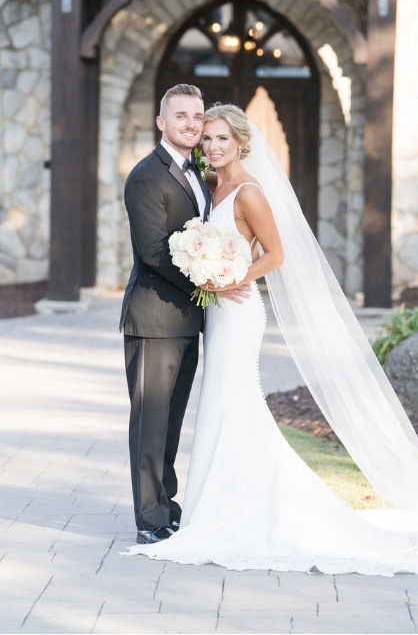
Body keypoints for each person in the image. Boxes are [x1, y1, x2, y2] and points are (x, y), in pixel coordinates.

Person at [127, 102, 418, 575]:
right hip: (215, 313)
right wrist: (211, 274)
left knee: (232, 401)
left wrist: (233, 278)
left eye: (221, 138)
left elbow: (275, 253)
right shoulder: (212, 185)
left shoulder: (250, 192)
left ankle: (238, 507)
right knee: (219, 404)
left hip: (236, 310)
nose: (212, 146)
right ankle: (210, 504)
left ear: (241, 142)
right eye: (208, 138)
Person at [120, 83, 251, 544]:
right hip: (153, 320)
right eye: (182, 116)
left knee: (172, 420)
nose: (192, 125)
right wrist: (211, 282)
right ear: (162, 122)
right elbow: (154, 252)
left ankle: (168, 504)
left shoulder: (198, 170)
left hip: (187, 320)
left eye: (197, 117)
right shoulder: (145, 177)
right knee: (150, 421)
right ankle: (149, 519)